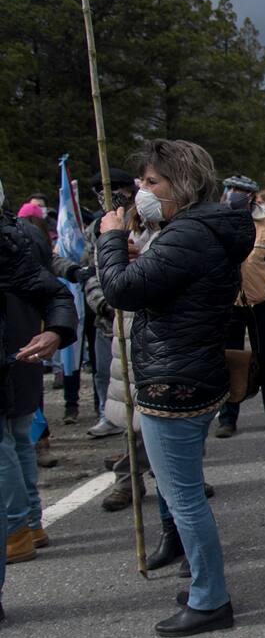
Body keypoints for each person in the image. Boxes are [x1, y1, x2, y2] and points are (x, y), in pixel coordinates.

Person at [98, 139, 253, 637]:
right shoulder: (196, 230)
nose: (140, 192)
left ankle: (210, 599)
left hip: (175, 379)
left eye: (151, 182)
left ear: (181, 184)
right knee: (181, 492)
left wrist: (109, 240)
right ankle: (204, 585)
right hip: (189, 370)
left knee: (183, 497)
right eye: (141, 182)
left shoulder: (187, 235)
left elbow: (121, 290)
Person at [1, 193, 77, 624]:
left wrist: (57, 330)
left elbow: (53, 291)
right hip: (25, 349)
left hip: (17, 353)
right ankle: (28, 523)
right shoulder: (27, 234)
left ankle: (17, 531)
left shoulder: (12, 242)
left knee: (10, 445)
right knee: (19, 440)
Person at [214, 175, 265, 439]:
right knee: (231, 361)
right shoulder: (218, 222)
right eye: (231, 189)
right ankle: (228, 418)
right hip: (231, 303)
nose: (234, 194)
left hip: (263, 301)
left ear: (251, 195)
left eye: (240, 191)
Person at [83, 168, 138, 438]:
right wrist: (101, 302)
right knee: (106, 373)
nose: (107, 197)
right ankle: (110, 417)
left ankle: (144, 449)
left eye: (115, 190)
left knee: (138, 382)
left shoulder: (141, 220)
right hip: (106, 315)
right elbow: (90, 271)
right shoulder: (96, 227)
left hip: (136, 314)